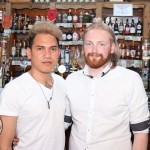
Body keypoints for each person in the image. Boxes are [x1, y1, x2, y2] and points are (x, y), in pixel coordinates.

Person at [65, 17, 150, 150]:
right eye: (89, 43)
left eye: (101, 44)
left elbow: (141, 132)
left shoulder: (130, 79)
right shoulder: (71, 80)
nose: (94, 50)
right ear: (83, 47)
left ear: (112, 48)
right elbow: (61, 123)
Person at [0, 21, 69, 150]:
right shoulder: (14, 90)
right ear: (29, 53)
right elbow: (4, 145)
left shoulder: (63, 85)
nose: (47, 55)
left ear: (59, 53)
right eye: (40, 48)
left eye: (52, 49)